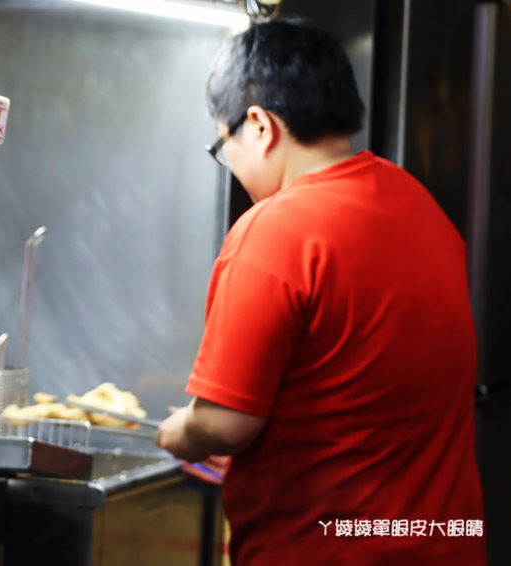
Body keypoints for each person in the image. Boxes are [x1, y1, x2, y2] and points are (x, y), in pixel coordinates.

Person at [155, 19, 487, 565]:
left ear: (259, 126)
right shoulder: (421, 207)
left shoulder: (275, 231)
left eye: (224, 144)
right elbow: (358, 396)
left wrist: (181, 432)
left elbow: (223, 421)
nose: (231, 164)